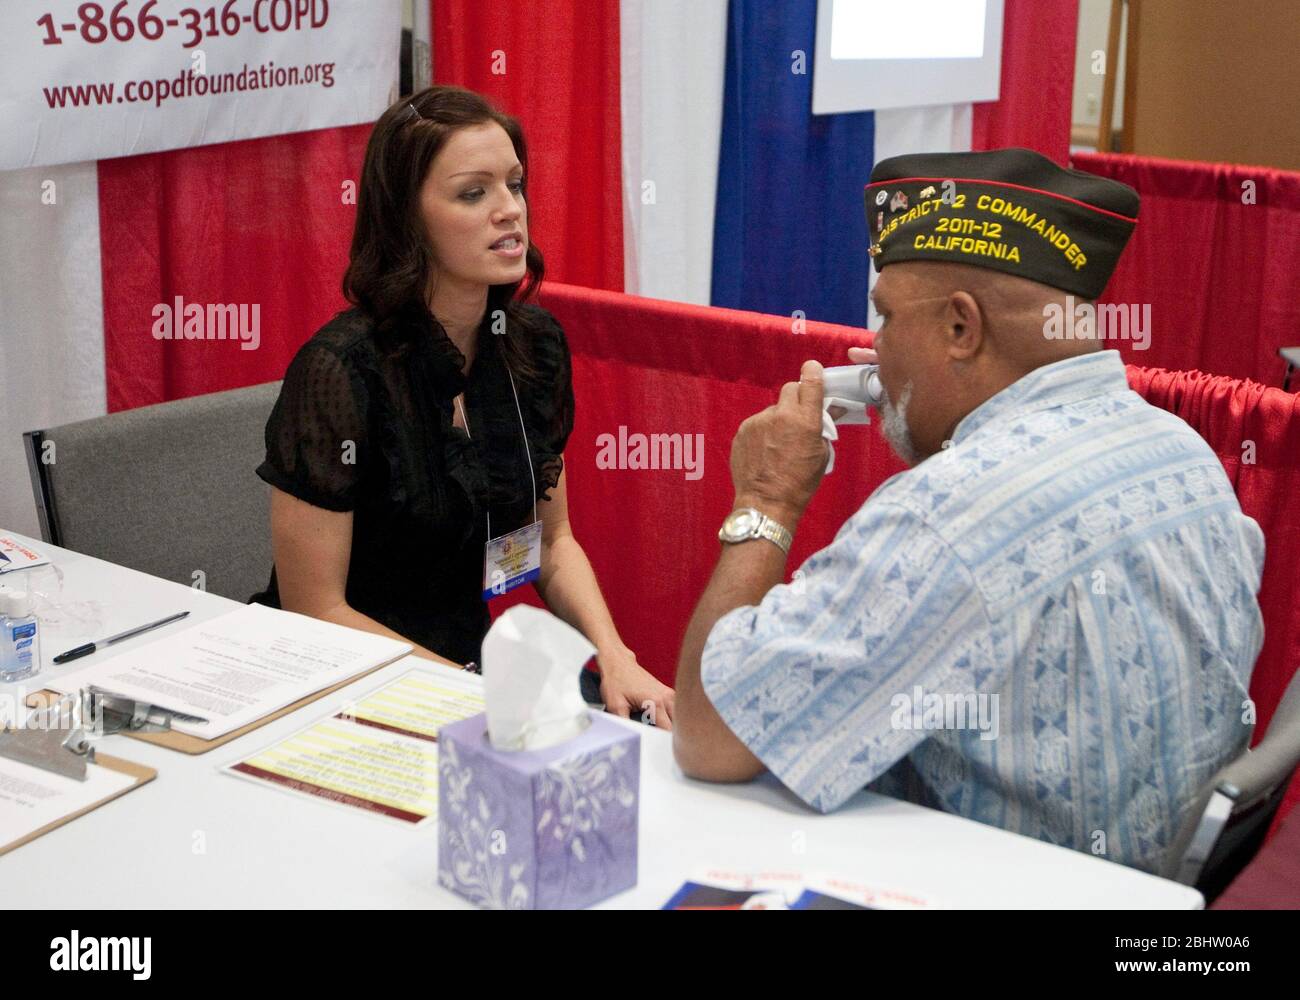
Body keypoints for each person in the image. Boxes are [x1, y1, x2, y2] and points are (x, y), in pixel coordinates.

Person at [672, 148, 1265, 873]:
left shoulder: (944, 520)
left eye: (886, 319)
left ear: (962, 328)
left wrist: (766, 501)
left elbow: (709, 733)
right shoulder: (1186, 455)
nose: (874, 353)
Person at [253, 85, 673, 726]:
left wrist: (613, 654)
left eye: (515, 184)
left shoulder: (533, 347)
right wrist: (473, 699)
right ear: (406, 220)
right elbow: (317, 609)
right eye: (473, 193)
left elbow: (552, 542)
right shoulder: (340, 370)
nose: (509, 210)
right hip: (333, 682)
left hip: (466, 679)